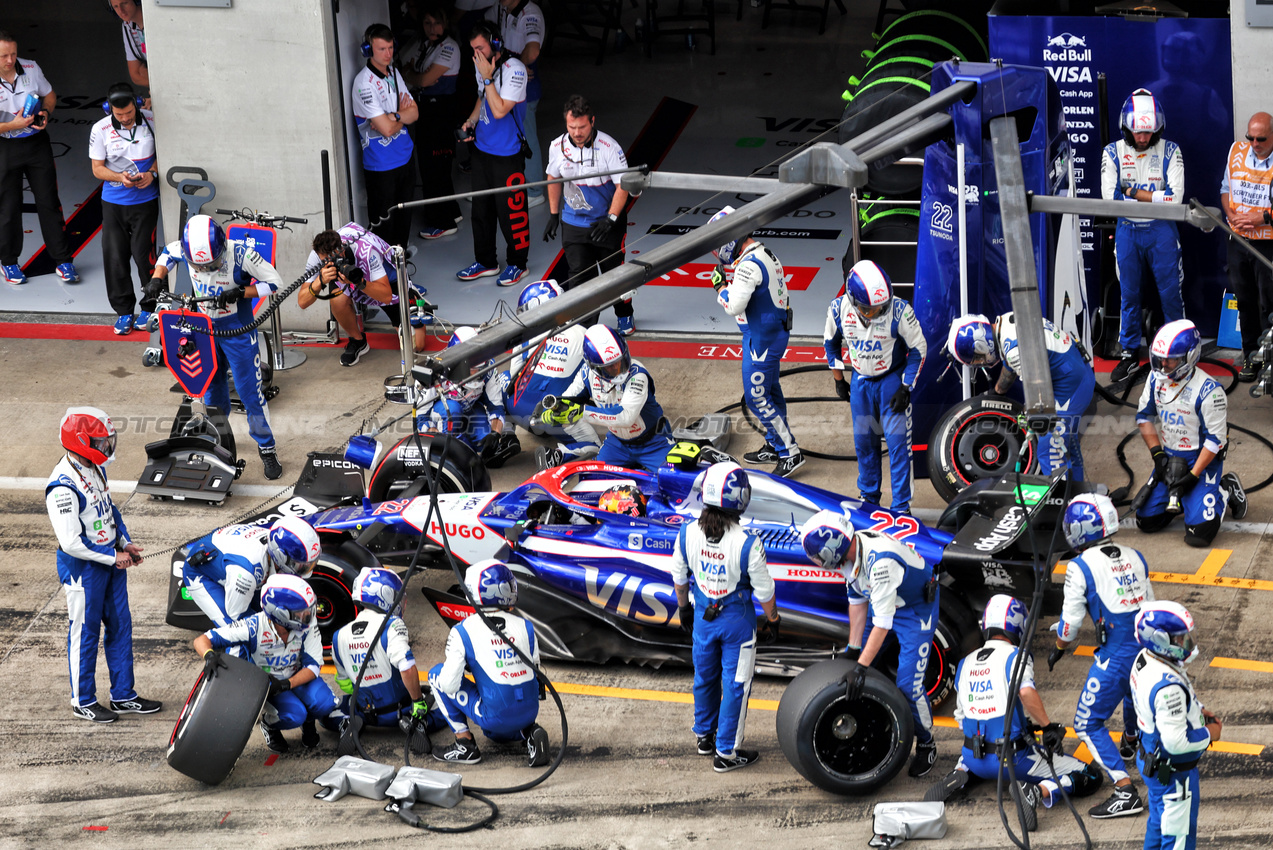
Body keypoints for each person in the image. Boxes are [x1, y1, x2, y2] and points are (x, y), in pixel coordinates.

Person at [924, 595, 1104, 814]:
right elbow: (1026, 691)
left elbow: (962, 719)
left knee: (979, 746)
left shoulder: (965, 662)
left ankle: (962, 772)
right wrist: (1047, 727)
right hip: (1013, 760)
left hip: (973, 756)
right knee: (1091, 775)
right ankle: (1038, 792)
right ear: (1018, 625)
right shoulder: (1015, 656)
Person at [799, 509, 939, 777]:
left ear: (832, 548)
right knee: (854, 663)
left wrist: (861, 667)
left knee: (908, 687)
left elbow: (883, 624)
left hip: (915, 611)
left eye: (817, 555)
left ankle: (927, 743)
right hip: (887, 602)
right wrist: (854, 649)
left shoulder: (880, 562)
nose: (816, 560)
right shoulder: (850, 554)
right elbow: (857, 602)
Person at [147, 214, 286, 479]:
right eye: (201, 265)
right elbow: (166, 253)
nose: (208, 269)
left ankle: (267, 448)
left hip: (237, 330)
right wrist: (157, 277)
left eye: (213, 263)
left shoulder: (244, 254)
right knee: (211, 389)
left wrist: (243, 292)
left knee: (250, 394)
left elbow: (275, 282)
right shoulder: (185, 247)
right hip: (204, 328)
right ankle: (220, 442)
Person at [46, 407, 161, 723]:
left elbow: (108, 511)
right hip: (84, 569)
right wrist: (113, 556)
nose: (106, 449)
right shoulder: (62, 487)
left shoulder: (94, 468)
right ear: (81, 442)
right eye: (101, 443)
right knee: (85, 633)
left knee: (121, 625)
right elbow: (71, 542)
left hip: (110, 560)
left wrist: (124, 543)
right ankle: (82, 700)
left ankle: (123, 695)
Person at [672, 462, 779, 772]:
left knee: (704, 677)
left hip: (702, 618)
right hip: (737, 621)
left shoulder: (686, 532)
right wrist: (773, 620)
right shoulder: (748, 543)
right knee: (736, 685)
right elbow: (764, 591)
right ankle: (727, 753)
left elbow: (679, 577)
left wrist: (683, 608)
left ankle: (704, 736)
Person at [1053, 493, 1154, 819]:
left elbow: (1069, 628)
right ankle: (1129, 739)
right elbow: (1150, 607)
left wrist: (1058, 648)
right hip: (1149, 647)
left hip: (1117, 652)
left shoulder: (1079, 567)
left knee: (1086, 722)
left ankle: (1125, 790)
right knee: (1131, 691)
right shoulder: (1135, 555)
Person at [194, 574, 340, 754]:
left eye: (309, 610)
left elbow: (313, 666)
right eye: (301, 613)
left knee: (325, 703)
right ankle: (268, 724)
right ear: (281, 614)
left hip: (295, 679)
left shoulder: (308, 626)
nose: (308, 616)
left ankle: (309, 723)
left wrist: (288, 684)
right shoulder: (253, 626)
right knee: (295, 715)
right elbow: (202, 640)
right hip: (269, 686)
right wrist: (209, 656)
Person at [707, 206, 802, 477]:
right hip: (767, 333)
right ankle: (775, 445)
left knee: (756, 396)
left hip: (762, 337)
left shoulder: (748, 265)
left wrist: (720, 287)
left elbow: (734, 306)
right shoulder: (760, 253)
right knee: (770, 391)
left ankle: (790, 452)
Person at [1135, 320, 1246, 547]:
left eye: (1171, 359)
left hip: (1202, 461)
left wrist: (1192, 476)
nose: (1163, 365)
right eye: (1160, 358)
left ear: (1190, 356)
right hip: (1170, 459)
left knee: (1199, 535)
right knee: (1145, 520)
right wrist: (1158, 457)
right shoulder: (1155, 378)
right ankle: (1187, 499)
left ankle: (1226, 488)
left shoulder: (1210, 391)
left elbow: (1216, 441)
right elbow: (1143, 417)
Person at [429, 559, 551, 766]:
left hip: (496, 713)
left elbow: (449, 684)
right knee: (493, 733)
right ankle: (528, 731)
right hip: (530, 710)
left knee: (436, 674)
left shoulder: (462, 630)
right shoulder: (526, 626)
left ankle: (464, 745)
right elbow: (537, 674)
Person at [825, 260, 925, 511]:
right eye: (870, 309)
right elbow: (830, 343)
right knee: (864, 443)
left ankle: (901, 507)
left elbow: (918, 349)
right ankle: (869, 499)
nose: (878, 312)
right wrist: (839, 380)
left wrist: (906, 386)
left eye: (882, 306)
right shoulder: (838, 309)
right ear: (853, 299)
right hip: (860, 383)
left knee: (898, 445)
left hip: (892, 381)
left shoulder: (900, 310)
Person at [947, 311, 1094, 483]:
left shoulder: (1014, 349)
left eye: (977, 358)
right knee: (1068, 445)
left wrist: (1026, 414)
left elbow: (1036, 394)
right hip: (1076, 374)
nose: (981, 362)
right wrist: (998, 391)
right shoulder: (1006, 324)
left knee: (1049, 450)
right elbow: (1010, 364)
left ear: (981, 344)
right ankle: (1076, 495)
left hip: (1070, 387)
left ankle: (1061, 503)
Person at [1101, 89, 1185, 383]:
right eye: (1138, 132)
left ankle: (1180, 349)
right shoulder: (1111, 152)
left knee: (1170, 295)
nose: (1143, 138)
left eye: (1149, 132)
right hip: (1126, 231)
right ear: (1127, 127)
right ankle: (1129, 353)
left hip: (1162, 229)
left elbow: (1176, 201)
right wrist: (1154, 196)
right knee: (1129, 295)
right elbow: (1110, 200)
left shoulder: (1171, 150)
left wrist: (1134, 192)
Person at [1130, 601, 1221, 850]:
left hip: (1151, 758)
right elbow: (1176, 742)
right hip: (1174, 772)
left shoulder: (1145, 659)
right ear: (1160, 640)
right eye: (1181, 639)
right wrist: (1209, 733)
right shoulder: (1168, 687)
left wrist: (1197, 710)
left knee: (1159, 825)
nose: (1187, 643)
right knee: (1178, 839)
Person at [542, 95, 634, 333]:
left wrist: (612, 218)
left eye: (582, 127)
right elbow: (553, 178)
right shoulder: (556, 146)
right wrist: (553, 214)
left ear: (592, 121)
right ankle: (584, 327)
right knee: (580, 279)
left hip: (606, 223)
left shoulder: (609, 147)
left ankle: (624, 314)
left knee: (616, 276)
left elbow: (622, 185)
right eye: (572, 127)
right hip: (573, 223)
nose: (577, 132)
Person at [454, 21, 530, 288]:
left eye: (480, 47)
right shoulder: (481, 66)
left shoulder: (515, 70)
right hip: (482, 150)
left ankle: (518, 264)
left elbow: (499, 109)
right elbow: (482, 98)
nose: (475, 53)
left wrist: (488, 77)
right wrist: (471, 121)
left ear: (495, 44)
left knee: (512, 212)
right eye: (472, 49)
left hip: (507, 154)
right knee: (481, 211)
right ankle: (486, 261)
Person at [0, 32, 78, 286]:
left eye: (13, 53)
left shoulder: (31, 68)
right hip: (4, 147)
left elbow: (50, 95)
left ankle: (63, 260)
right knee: (8, 207)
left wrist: (45, 112)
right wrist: (13, 124)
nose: (11, 60)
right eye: (4, 56)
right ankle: (9, 262)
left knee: (49, 201)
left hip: (35, 144)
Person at [500, 279, 602, 469]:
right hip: (556, 415)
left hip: (518, 408)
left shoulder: (523, 334)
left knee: (503, 378)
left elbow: (514, 375)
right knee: (595, 447)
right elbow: (594, 381)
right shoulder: (584, 334)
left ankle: (505, 435)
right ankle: (559, 455)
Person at [542, 323, 673, 471]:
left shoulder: (638, 375)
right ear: (593, 366)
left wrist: (582, 412)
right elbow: (567, 398)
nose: (617, 369)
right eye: (609, 367)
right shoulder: (586, 373)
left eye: (620, 361)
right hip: (617, 444)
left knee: (673, 481)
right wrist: (555, 411)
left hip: (654, 442)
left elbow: (625, 417)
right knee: (593, 480)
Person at [298, 223, 427, 366]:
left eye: (333, 261)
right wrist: (320, 281)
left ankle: (415, 300)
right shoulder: (316, 256)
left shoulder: (366, 251)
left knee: (416, 345)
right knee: (337, 299)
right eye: (325, 262)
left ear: (341, 250)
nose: (330, 265)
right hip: (351, 280)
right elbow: (302, 302)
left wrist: (359, 282)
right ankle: (357, 341)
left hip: (387, 282)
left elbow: (386, 296)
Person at [331, 567, 431, 751]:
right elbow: (407, 667)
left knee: (327, 708)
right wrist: (417, 700)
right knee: (440, 698)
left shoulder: (338, 636)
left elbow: (345, 682)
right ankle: (418, 722)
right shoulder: (392, 624)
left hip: (365, 710)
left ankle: (346, 722)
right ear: (384, 595)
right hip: (400, 710)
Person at [89, 82, 159, 336]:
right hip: (114, 204)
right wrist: (120, 177)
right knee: (115, 257)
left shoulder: (152, 119)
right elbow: (97, 168)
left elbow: (167, 153)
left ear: (138, 104)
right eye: (119, 115)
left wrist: (152, 173)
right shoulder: (101, 129)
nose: (126, 118)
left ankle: (150, 307)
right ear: (110, 110)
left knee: (144, 256)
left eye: (129, 112)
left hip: (145, 202)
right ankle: (123, 312)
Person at [181, 516, 322, 630]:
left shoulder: (274, 542)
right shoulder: (247, 573)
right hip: (200, 573)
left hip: (233, 554)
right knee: (239, 630)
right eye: (301, 566)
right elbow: (236, 615)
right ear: (280, 556)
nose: (306, 571)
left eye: (311, 565)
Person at [352, 23, 419, 250]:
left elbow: (415, 112)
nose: (388, 54)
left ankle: (400, 273)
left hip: (405, 157)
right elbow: (387, 129)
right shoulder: (363, 84)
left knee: (403, 224)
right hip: (381, 166)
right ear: (368, 50)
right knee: (383, 231)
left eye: (391, 48)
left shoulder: (394, 72)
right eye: (382, 49)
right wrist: (399, 118)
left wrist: (393, 115)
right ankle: (385, 278)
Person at [402, 3, 463, 240]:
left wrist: (412, 77)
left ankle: (443, 222)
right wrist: (415, 77)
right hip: (427, 109)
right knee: (435, 166)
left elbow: (425, 79)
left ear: (445, 23)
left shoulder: (450, 47)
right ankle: (452, 211)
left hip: (441, 111)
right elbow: (412, 70)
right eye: (427, 23)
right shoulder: (426, 44)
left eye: (437, 23)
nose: (432, 27)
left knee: (434, 166)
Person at [1220, 111, 1273, 381]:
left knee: (1269, 305)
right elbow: (1225, 188)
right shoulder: (1237, 151)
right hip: (1239, 240)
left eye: (1261, 138)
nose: (1254, 143)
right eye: (1250, 137)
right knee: (1245, 302)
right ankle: (1251, 356)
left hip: (1267, 244)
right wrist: (1230, 215)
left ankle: (1269, 361)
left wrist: (1262, 216)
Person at [486, 0, 546, 207]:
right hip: (507, 81)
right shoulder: (503, 9)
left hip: (524, 86)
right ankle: (515, 183)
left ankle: (536, 189)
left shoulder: (530, 14)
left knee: (527, 136)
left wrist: (518, 65)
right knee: (510, 133)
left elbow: (533, 50)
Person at [418, 326, 507, 451]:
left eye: (480, 365)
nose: (478, 372)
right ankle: (445, 449)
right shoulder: (435, 372)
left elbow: (496, 406)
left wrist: (495, 433)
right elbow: (420, 415)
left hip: (471, 409)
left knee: (487, 444)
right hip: (444, 412)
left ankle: (463, 441)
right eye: (473, 368)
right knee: (452, 409)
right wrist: (432, 432)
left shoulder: (489, 369)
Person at [109, 0, 149, 94]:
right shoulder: (127, 26)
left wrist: (147, 75)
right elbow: (135, 76)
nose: (121, 11)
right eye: (116, 7)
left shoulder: (155, 21)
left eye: (125, 3)